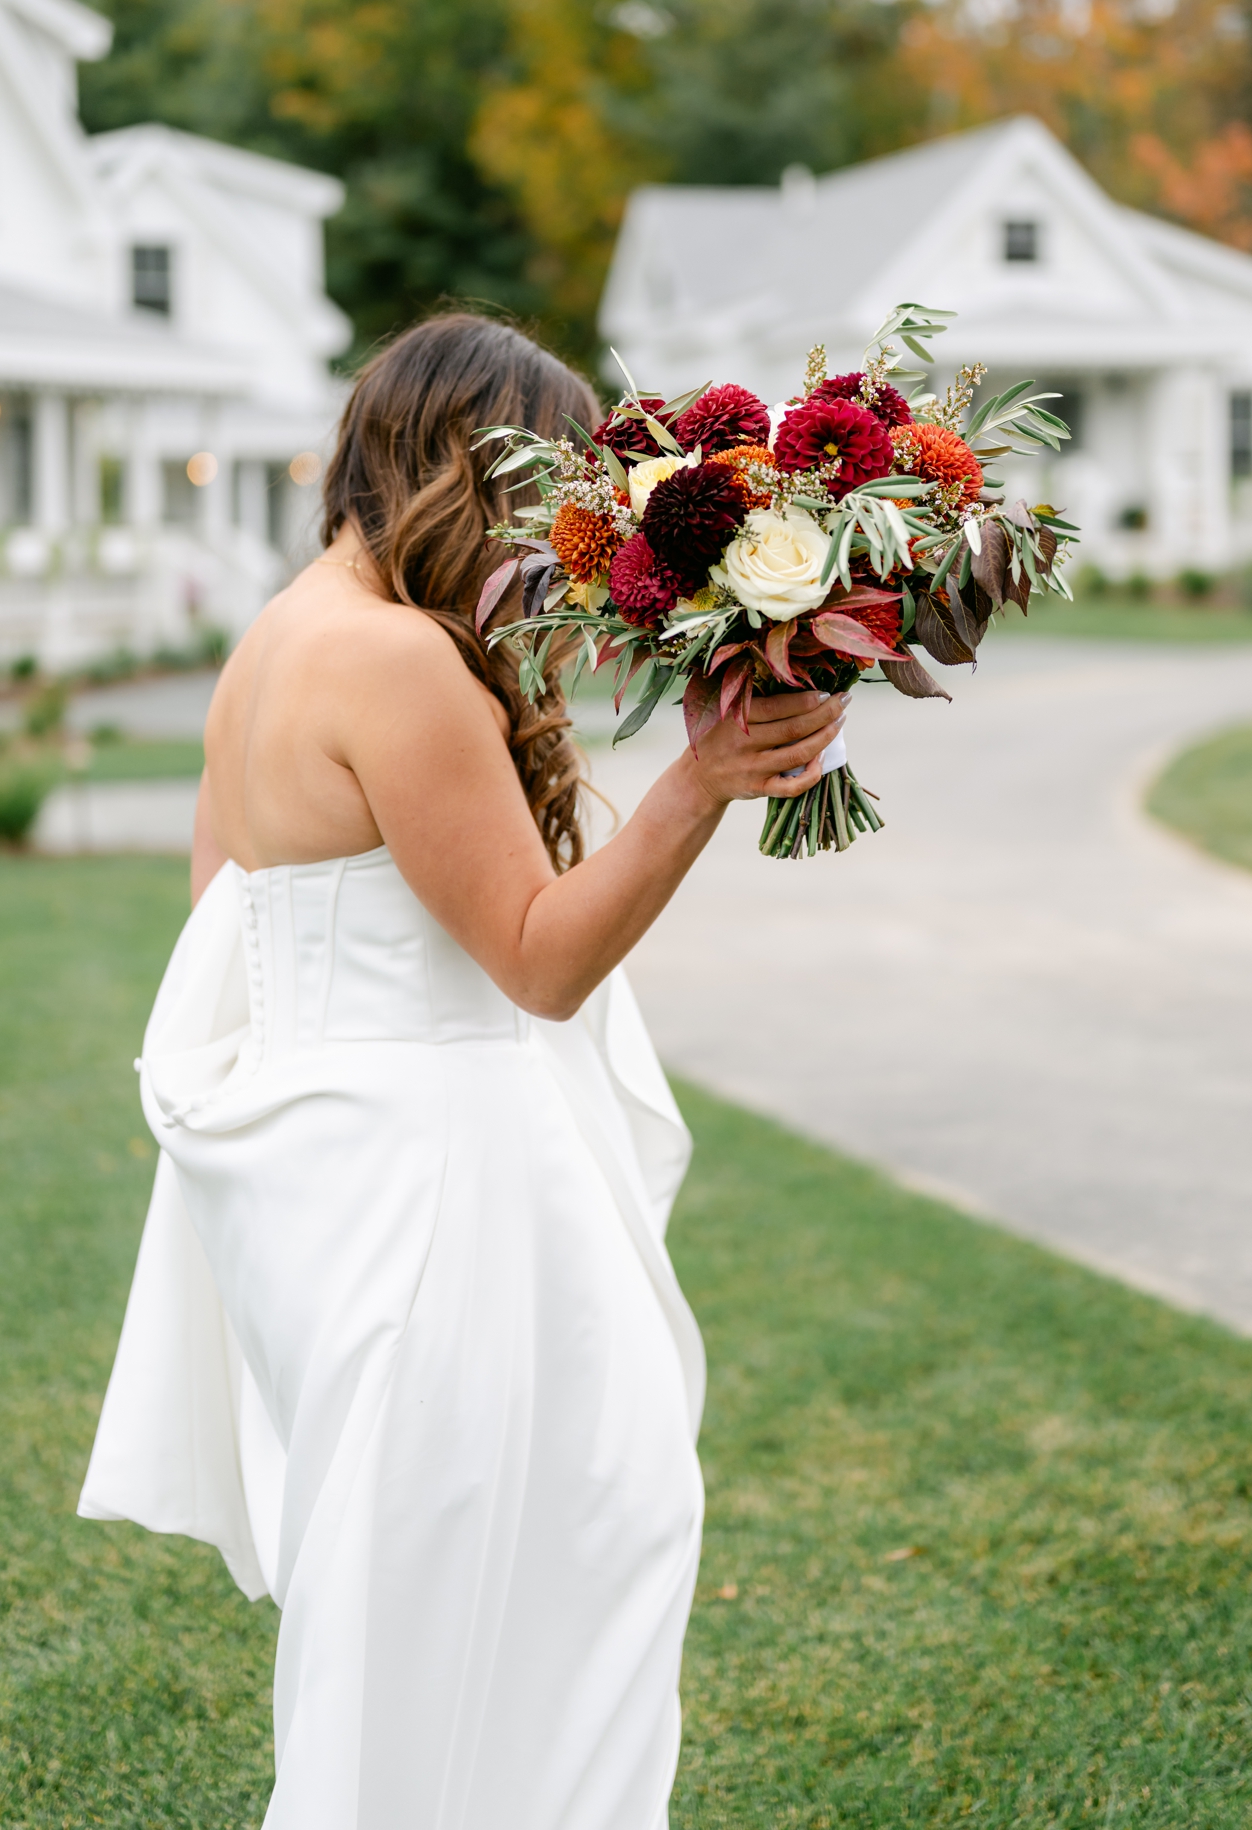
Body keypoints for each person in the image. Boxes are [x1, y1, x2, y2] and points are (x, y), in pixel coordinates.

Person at [80, 313, 846, 1830]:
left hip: (337, 1203)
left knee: (421, 1601)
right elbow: (540, 957)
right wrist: (703, 779)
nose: (559, 542)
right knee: (571, 1556)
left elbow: (222, 932)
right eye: (542, 493)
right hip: (450, 1199)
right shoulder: (396, 663)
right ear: (462, 468)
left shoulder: (277, 641)